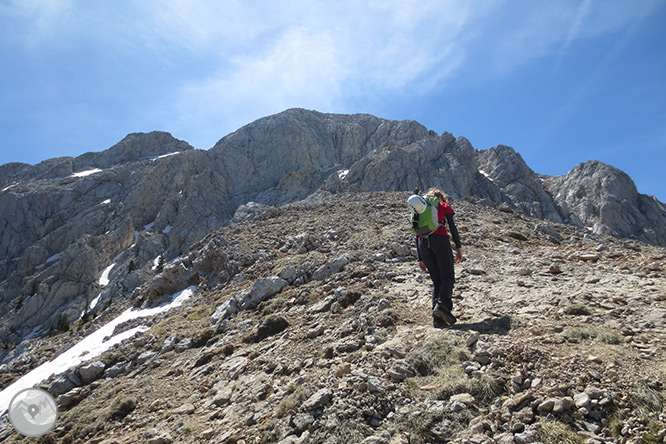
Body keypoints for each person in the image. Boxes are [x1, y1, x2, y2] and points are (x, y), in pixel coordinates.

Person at [410, 188, 463, 328]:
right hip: (439, 240)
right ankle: (442, 306)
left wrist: (420, 258)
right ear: (440, 197)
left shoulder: (419, 210)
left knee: (437, 281)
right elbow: (452, 226)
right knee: (448, 277)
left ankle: (437, 320)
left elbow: (416, 233)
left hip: (423, 244)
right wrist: (458, 247)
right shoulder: (443, 206)